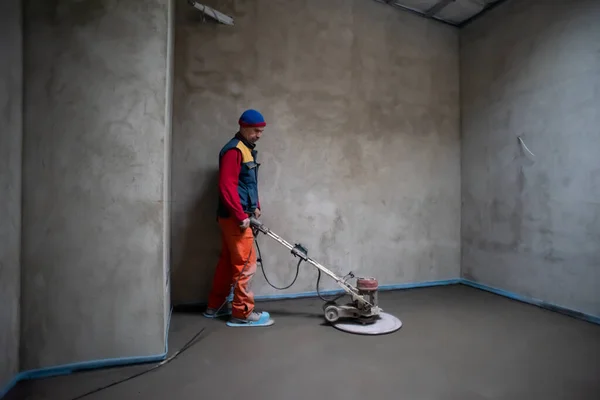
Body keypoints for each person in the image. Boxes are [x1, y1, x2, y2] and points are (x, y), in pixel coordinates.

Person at [203, 109, 273, 327]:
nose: (259, 135)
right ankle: (242, 314)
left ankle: (214, 306)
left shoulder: (247, 149)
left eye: (261, 131)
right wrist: (241, 215)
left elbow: (247, 182)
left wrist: (256, 206)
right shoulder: (234, 150)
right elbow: (227, 186)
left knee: (228, 263)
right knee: (246, 265)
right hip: (235, 218)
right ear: (243, 126)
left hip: (236, 215)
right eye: (255, 130)